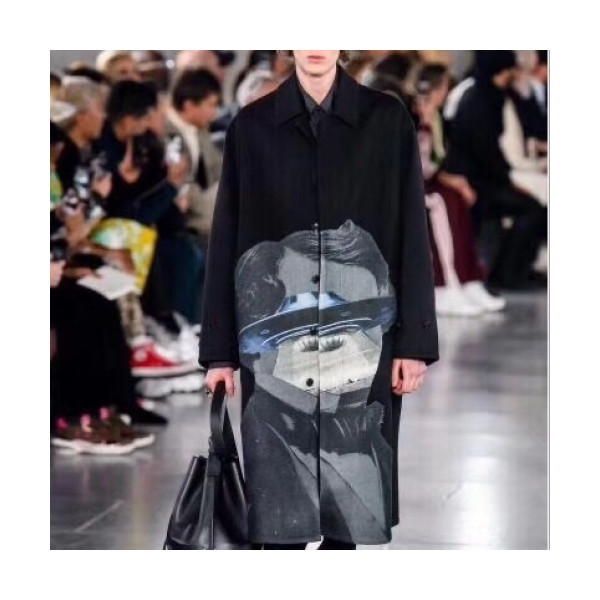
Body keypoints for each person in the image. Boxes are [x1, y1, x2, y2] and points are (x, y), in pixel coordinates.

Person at [199, 51, 438, 550]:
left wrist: (415, 342)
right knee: (278, 519)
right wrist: (219, 352)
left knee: (348, 525)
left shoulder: (386, 120)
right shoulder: (252, 126)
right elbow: (226, 239)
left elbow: (412, 232)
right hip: (271, 337)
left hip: (367, 332)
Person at [444, 51, 547, 290]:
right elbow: (486, 153)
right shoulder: (479, 101)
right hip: (478, 181)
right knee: (531, 209)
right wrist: (510, 181)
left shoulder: (489, 95)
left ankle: (517, 269)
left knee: (534, 205)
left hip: (488, 177)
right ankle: (508, 273)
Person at [412, 63, 506, 316]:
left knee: (458, 199)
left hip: (428, 181)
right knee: (442, 203)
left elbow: (438, 161)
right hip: (414, 186)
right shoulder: (416, 115)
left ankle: (468, 279)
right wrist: (425, 125)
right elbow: (420, 164)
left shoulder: (437, 116)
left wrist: (455, 181)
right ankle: (443, 285)